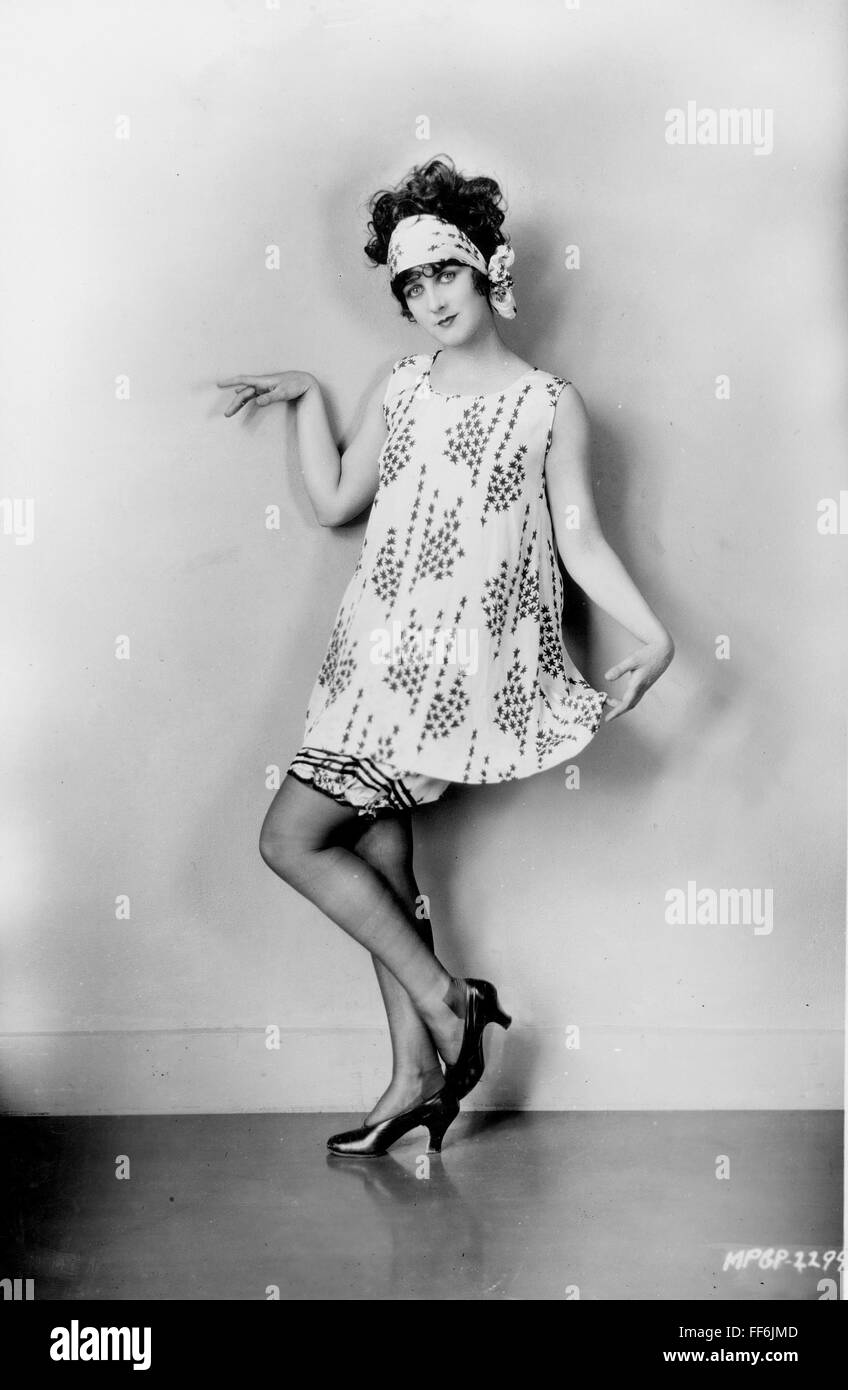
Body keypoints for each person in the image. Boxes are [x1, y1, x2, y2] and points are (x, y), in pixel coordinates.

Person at [217, 154, 674, 1157]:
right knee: (378, 849)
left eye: (443, 273)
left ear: (487, 271)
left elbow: (580, 536)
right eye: (409, 283)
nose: (427, 297)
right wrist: (303, 401)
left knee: (289, 838)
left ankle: (447, 1001)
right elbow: (339, 501)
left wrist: (654, 633)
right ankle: (414, 1077)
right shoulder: (401, 385)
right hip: (367, 658)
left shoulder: (550, 404)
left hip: (450, 678)